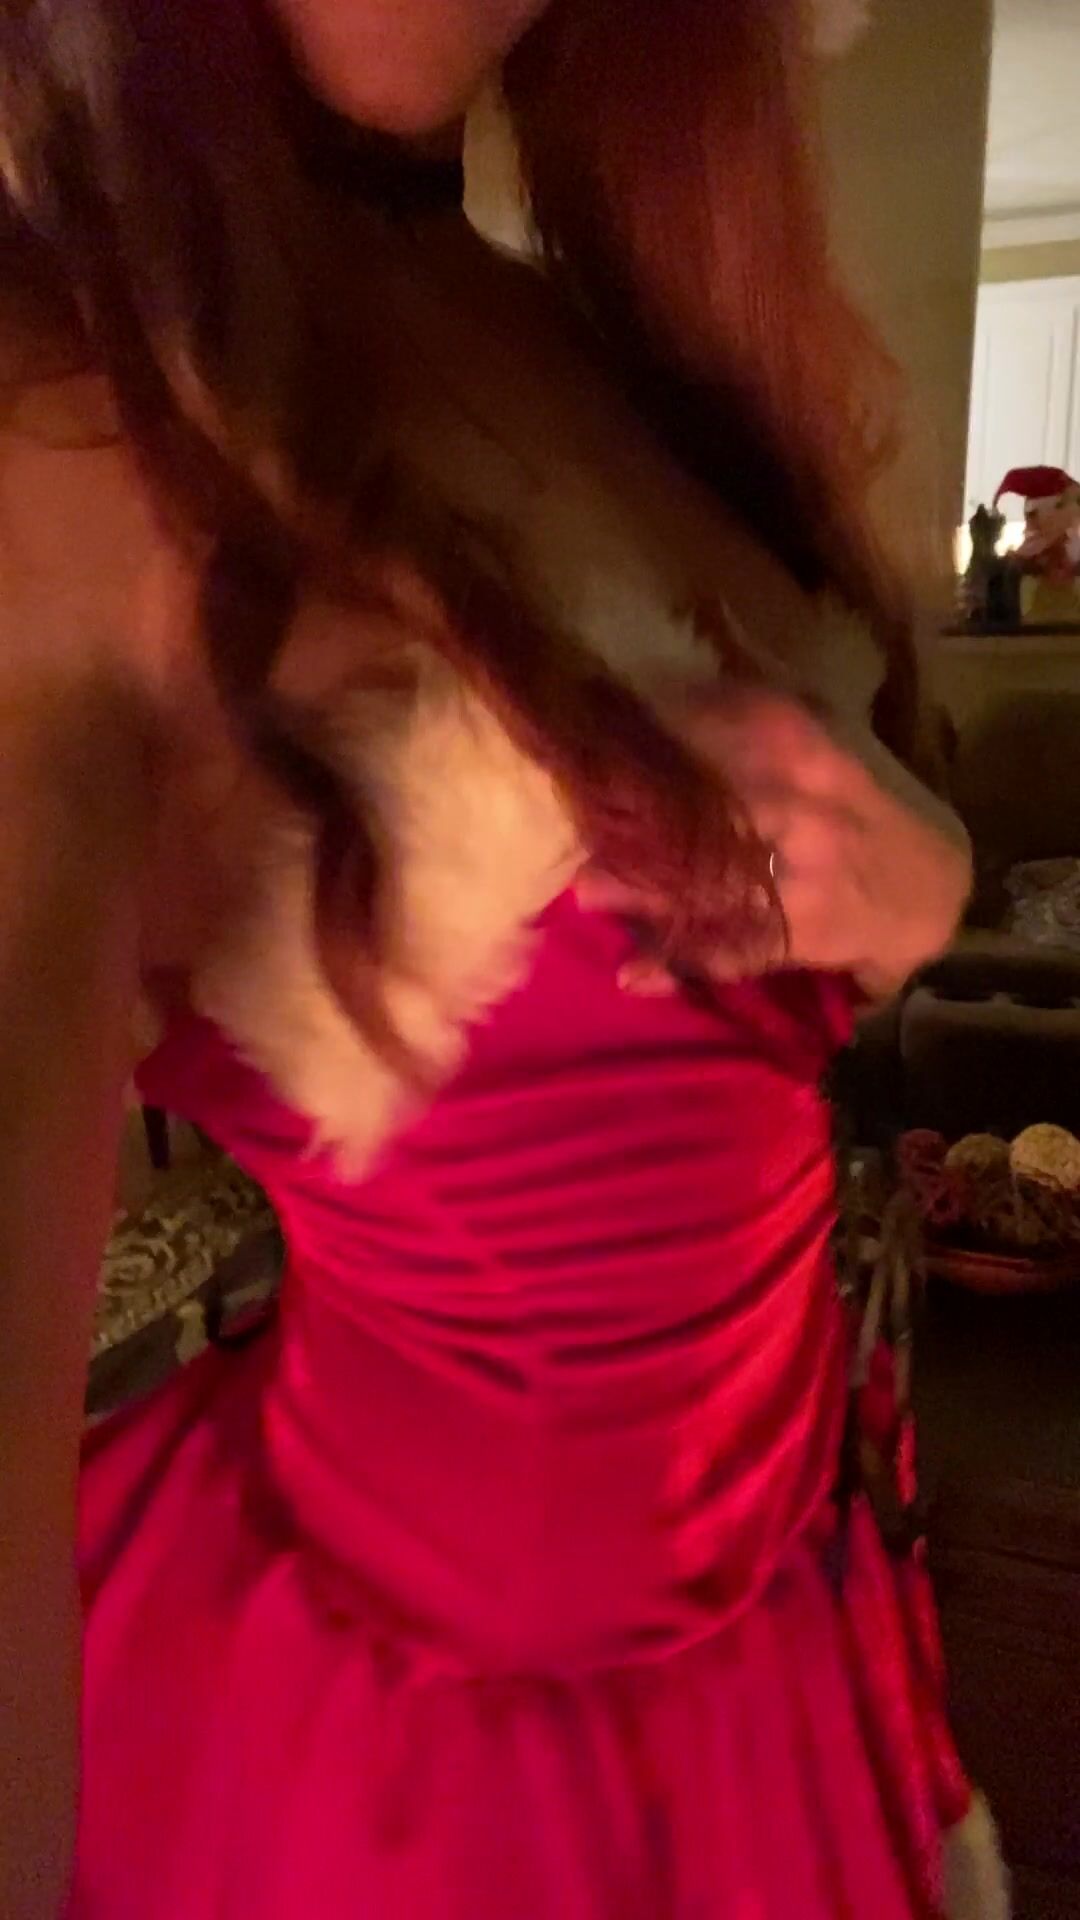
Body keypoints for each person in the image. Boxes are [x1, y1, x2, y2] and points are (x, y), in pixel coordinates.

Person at [0, 1, 995, 1915]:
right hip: (424, 1783)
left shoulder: (579, 332)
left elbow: (757, 984)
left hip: (794, 1614)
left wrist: (922, 878)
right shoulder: (57, 417)